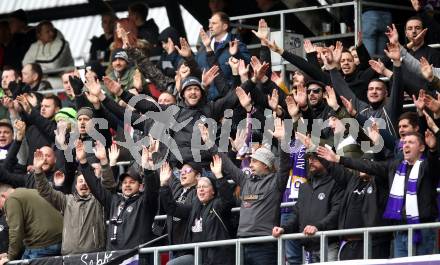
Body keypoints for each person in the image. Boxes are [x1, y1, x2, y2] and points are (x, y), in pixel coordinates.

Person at [317, 130, 440, 257]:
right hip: (399, 231)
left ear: (421, 147)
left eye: (411, 142)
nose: (406, 145)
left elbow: (434, 165)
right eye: (404, 142)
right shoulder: (395, 167)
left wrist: (433, 150)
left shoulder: (427, 166)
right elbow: (368, 165)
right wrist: (338, 159)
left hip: (423, 230)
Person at [215, 118, 291, 265]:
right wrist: (210, 144)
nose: (250, 164)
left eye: (255, 161)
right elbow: (227, 163)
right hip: (242, 242)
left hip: (265, 243)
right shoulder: (245, 180)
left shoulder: (276, 181)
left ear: (266, 165)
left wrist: (283, 141)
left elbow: (285, 164)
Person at [77, 139, 159, 250]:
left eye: (132, 182)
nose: (127, 185)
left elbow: (152, 189)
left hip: (137, 259)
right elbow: (95, 187)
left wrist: (148, 169)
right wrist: (83, 162)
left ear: (140, 186)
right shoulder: (114, 201)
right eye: (124, 182)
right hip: (114, 258)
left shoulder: (145, 202)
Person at [33, 145, 110, 255]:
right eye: (80, 181)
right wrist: (38, 170)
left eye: (86, 181)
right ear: (76, 185)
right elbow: (45, 191)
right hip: (69, 257)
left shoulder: (100, 200)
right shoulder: (66, 201)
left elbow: (108, 184)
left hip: (95, 256)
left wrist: (104, 161)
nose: (83, 184)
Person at [160, 156, 234, 265]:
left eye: (204, 187)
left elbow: (227, 197)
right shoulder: (194, 207)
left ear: (213, 191)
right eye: (199, 187)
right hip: (197, 256)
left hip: (216, 258)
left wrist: (219, 175)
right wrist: (164, 184)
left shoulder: (218, 205)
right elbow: (172, 208)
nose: (201, 189)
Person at [272, 153, 343, 263]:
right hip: (308, 248)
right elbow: (296, 214)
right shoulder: (304, 187)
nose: (310, 161)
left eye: (315, 158)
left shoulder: (336, 183)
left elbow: (336, 212)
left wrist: (317, 227)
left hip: (329, 245)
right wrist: (284, 228)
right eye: (309, 159)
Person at [0, 183, 63, 261]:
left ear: (3, 196)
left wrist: (9, 257)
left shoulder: (11, 199)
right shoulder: (32, 191)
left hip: (42, 245)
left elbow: (16, 231)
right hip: (61, 241)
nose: (1, 208)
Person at [196, 11, 250, 100]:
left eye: (214, 23)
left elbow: (248, 64)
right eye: (209, 23)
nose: (209, 26)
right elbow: (197, 71)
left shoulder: (236, 44)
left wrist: (236, 54)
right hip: (207, 101)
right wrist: (188, 58)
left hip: (230, 99)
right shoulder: (203, 48)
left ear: (224, 26)